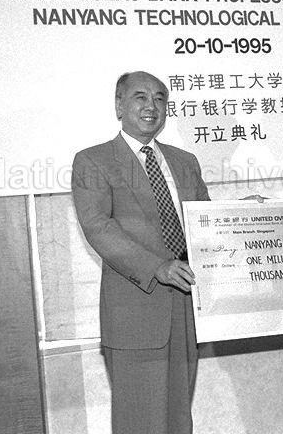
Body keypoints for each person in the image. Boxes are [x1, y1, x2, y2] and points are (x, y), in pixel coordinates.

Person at [71, 71, 209, 434]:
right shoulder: (93, 161)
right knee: (138, 421)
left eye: (160, 98)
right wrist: (157, 267)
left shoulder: (185, 162)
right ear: (119, 105)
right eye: (140, 97)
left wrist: (243, 214)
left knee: (179, 418)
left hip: (186, 308)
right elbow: (98, 227)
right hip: (133, 310)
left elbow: (206, 222)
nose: (152, 106)